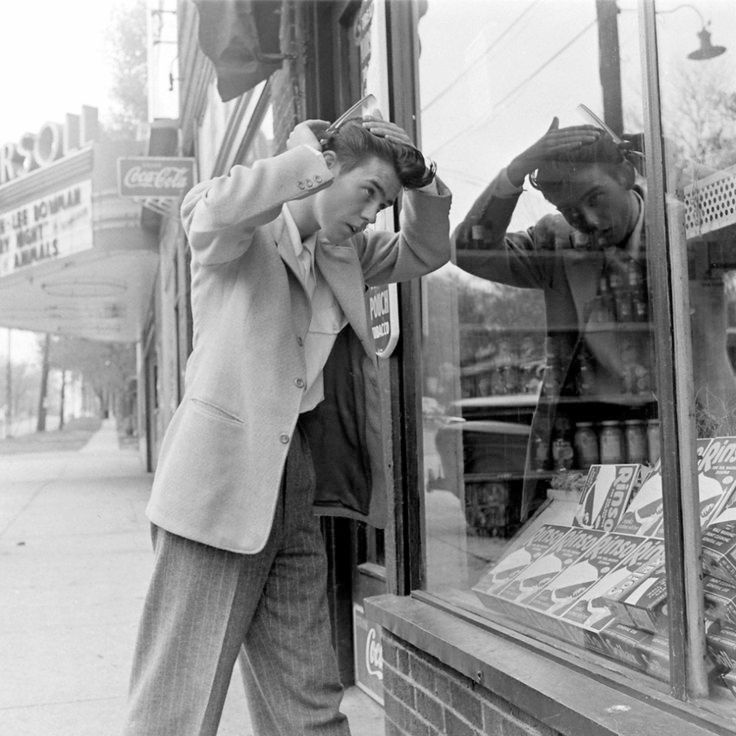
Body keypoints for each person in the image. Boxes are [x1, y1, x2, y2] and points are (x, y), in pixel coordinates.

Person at [123, 113, 451, 735]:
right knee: (180, 702)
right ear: (325, 173)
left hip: (292, 480)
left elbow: (427, 251)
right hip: (219, 483)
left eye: (385, 203)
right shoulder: (237, 231)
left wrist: (424, 179)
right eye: (370, 193)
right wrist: (309, 155)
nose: (375, 214)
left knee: (307, 696)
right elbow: (217, 210)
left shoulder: (343, 253)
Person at [456, 118, 736, 522]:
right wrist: (514, 173)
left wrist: (679, 167)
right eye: (568, 210)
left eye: (595, 198)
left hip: (696, 427)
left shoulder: (683, 217)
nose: (586, 220)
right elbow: (471, 252)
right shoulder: (556, 240)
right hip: (594, 436)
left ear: (625, 175)